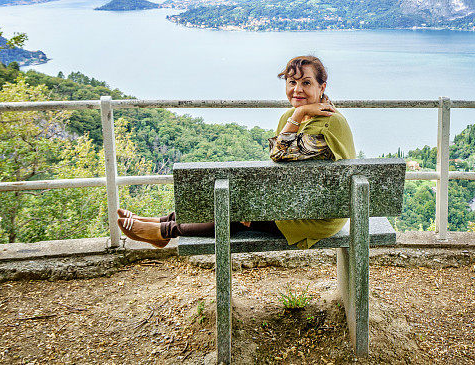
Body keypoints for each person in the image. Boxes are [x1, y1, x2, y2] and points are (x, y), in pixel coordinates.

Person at [117, 55, 356, 249]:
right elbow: (282, 170)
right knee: (233, 199)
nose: (297, 89)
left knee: (236, 209)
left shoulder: (327, 123)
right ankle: (164, 221)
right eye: (292, 82)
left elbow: (278, 155)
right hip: (296, 200)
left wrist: (297, 115)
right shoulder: (292, 116)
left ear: (321, 87)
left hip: (317, 215)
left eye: (306, 83)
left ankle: (165, 231)